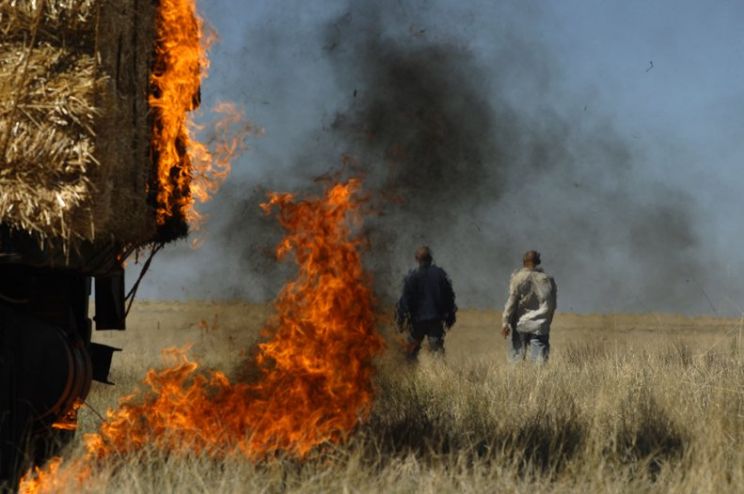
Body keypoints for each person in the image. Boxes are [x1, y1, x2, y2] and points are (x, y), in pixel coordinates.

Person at [395, 246, 457, 359]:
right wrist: (450, 317)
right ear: (431, 258)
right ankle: (440, 375)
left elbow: (405, 300)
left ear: (417, 259)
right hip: (435, 319)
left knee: (410, 352)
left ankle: (409, 374)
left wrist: (400, 319)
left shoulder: (412, 276)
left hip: (417, 321)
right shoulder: (440, 275)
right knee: (437, 352)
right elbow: (449, 298)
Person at [501, 250, 557, 363]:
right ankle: (538, 381)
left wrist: (505, 322)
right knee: (539, 364)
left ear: (523, 262)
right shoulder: (548, 280)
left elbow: (511, 303)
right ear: (538, 262)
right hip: (540, 327)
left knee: (515, 361)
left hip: (520, 324)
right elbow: (552, 305)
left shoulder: (517, 278)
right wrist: (547, 322)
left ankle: (515, 381)